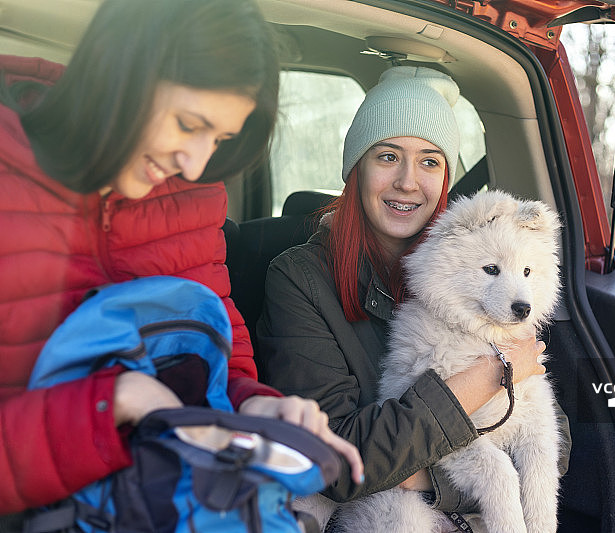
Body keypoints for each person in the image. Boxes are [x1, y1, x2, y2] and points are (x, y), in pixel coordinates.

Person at [0, 0, 361, 517]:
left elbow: (212, 361)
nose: (194, 164)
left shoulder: (192, 198)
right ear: (120, 67)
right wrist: (110, 405)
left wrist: (255, 405)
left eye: (220, 139)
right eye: (189, 123)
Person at [258, 66, 570, 524]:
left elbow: (552, 443)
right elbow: (334, 463)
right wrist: (486, 378)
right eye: (388, 156)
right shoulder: (299, 280)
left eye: (429, 161)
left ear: (445, 178)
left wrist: (432, 477)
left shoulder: (482, 268)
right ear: (356, 167)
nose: (408, 181)